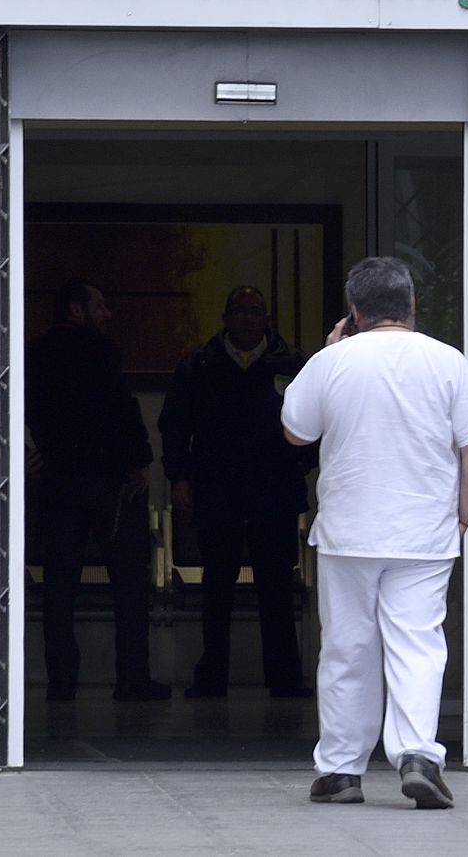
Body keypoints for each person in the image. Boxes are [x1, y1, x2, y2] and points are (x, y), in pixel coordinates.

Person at [280, 257, 468, 810]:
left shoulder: (332, 361)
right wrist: (463, 512)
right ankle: (417, 757)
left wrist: (331, 351)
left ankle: (340, 771)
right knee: (417, 643)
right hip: (422, 529)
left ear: (354, 312)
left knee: (347, 648)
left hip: (349, 530)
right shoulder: (446, 361)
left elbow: (295, 432)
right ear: (412, 306)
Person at [159, 286, 315, 699]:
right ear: (226, 318)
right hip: (218, 494)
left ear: (267, 318)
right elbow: (174, 427)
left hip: (274, 496)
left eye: (256, 312)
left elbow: (317, 424)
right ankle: (211, 679)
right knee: (217, 591)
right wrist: (180, 478)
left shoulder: (291, 363)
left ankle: (283, 679)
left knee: (277, 591)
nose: (248, 319)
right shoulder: (201, 365)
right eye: (240, 311)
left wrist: (298, 465)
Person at [25, 281, 169, 703]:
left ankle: (62, 681)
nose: (108, 314)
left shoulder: (34, 355)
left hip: (56, 478)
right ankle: (132, 677)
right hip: (105, 480)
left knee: (59, 585)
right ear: (76, 309)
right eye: (100, 305)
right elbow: (120, 412)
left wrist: (27, 452)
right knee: (128, 581)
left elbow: (22, 408)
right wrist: (137, 461)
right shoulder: (102, 354)